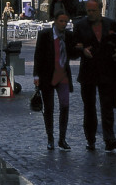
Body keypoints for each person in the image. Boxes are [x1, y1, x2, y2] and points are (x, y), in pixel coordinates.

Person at [72, 0, 116, 152]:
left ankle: (109, 138)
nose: (91, 13)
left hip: (106, 71)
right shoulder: (80, 25)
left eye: (93, 10)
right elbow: (74, 46)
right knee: (89, 108)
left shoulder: (110, 24)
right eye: (88, 11)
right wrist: (82, 50)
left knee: (107, 106)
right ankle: (90, 139)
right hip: (88, 72)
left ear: (100, 9)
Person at [33, 11, 76, 151]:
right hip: (47, 77)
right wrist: (36, 75)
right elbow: (38, 55)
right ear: (55, 21)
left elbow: (73, 54)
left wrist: (80, 49)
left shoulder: (69, 36)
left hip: (63, 76)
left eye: (66, 21)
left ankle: (62, 139)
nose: (64, 24)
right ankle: (50, 138)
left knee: (65, 105)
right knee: (49, 108)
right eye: (61, 21)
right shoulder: (45, 35)